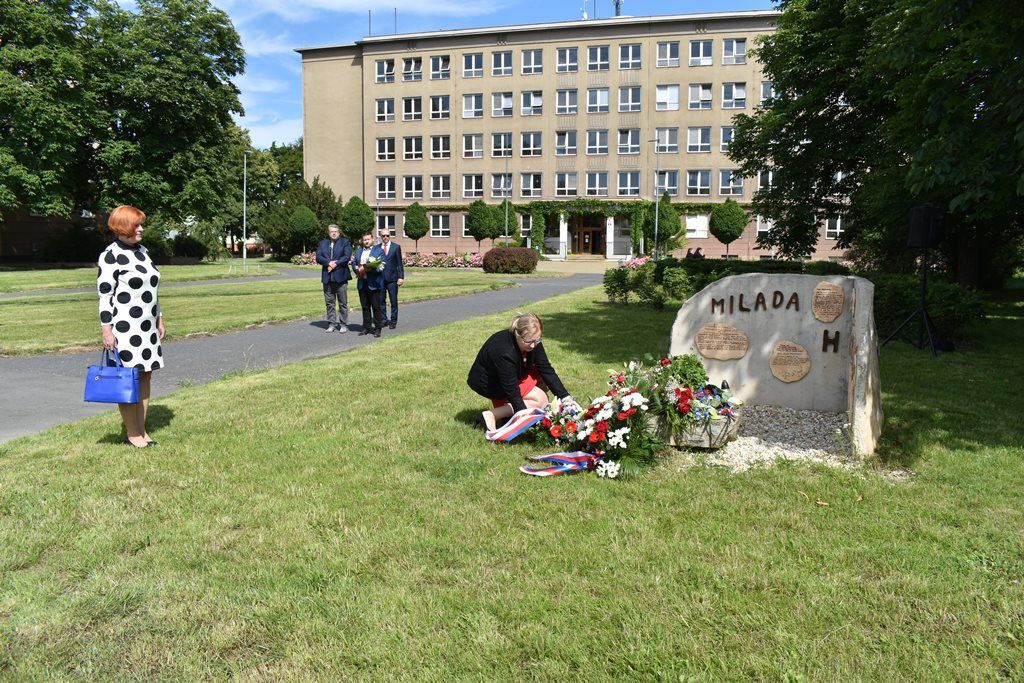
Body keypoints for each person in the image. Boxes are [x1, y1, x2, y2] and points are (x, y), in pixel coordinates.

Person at [96, 205, 165, 449]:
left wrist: (159, 318)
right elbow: (105, 295)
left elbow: (152, 290)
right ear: (123, 227)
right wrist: (107, 329)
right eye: (136, 225)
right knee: (128, 378)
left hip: (147, 326)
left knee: (145, 375)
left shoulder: (144, 252)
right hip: (125, 328)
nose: (141, 229)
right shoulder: (110, 255)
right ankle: (132, 433)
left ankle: (142, 430)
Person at [466, 313, 576, 431]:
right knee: (541, 400)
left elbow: (546, 370)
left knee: (542, 389)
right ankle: (491, 415)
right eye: (528, 341)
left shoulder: (533, 340)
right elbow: (511, 388)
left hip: (510, 377)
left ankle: (503, 415)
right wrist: (525, 419)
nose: (533, 345)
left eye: (537, 340)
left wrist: (567, 399)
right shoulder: (504, 350)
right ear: (517, 334)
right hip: (489, 383)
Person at [315, 223, 352, 333]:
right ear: (328, 233)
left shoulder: (345, 242)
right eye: (332, 231)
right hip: (327, 278)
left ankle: (343, 324)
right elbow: (318, 257)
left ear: (339, 232)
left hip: (341, 278)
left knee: (342, 303)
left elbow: (346, 257)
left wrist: (335, 264)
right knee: (329, 303)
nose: (334, 233)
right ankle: (331, 323)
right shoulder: (322, 244)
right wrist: (328, 263)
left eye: (336, 231)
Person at [352, 231, 386, 337]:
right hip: (362, 283)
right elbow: (354, 263)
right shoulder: (358, 251)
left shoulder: (379, 251)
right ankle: (366, 328)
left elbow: (383, 266)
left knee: (376, 307)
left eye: (368, 239)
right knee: (365, 307)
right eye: (365, 240)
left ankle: (377, 328)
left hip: (374, 283)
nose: (366, 241)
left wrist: (372, 268)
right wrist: (357, 270)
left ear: (372, 240)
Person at [379, 228, 404, 329]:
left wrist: (401, 277)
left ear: (390, 236)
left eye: (387, 236)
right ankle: (384, 320)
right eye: (383, 236)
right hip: (380, 279)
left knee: (393, 301)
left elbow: (399, 264)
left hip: (392, 279)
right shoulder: (377, 248)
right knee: (381, 301)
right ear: (381, 237)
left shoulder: (396, 247)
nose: (385, 237)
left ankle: (393, 321)